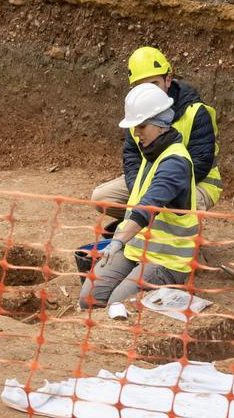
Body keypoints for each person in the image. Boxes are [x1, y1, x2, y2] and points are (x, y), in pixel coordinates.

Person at [80, 83, 200, 308]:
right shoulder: (152, 151)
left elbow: (146, 208)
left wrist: (116, 241)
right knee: (89, 298)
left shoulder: (175, 162)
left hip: (166, 261)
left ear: (161, 124)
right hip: (135, 248)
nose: (136, 133)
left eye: (141, 126)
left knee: (119, 305)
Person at [91, 46, 221, 232]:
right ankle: (142, 226)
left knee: (167, 209)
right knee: (101, 197)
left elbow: (201, 162)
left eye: (154, 84)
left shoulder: (195, 112)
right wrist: (141, 189)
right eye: (141, 86)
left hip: (193, 184)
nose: (148, 91)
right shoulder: (139, 110)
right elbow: (131, 157)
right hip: (151, 180)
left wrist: (158, 190)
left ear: (168, 80)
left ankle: (184, 237)